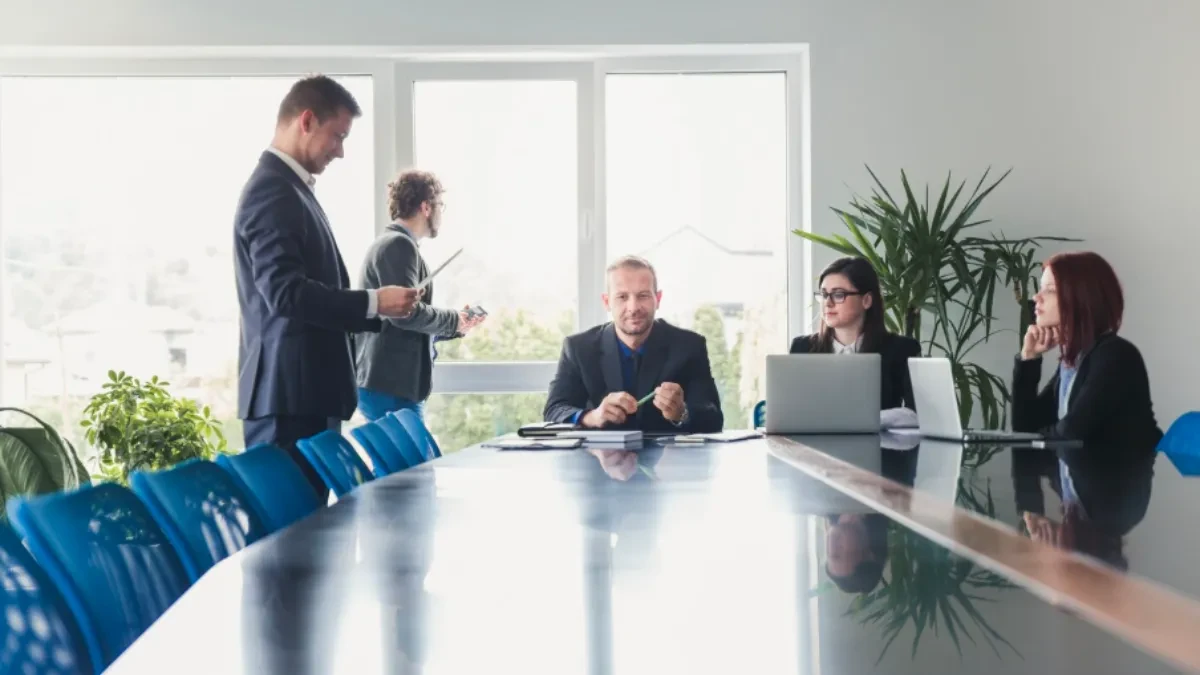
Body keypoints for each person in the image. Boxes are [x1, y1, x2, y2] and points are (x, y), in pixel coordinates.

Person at [234, 75, 421, 496]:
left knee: (311, 529)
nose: (340, 150)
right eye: (337, 136)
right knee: (294, 532)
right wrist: (374, 302)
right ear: (306, 121)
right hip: (289, 402)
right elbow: (285, 294)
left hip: (301, 398)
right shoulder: (273, 192)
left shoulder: (290, 189)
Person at [355, 170, 486, 422]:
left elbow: (404, 322)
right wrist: (453, 319)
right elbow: (404, 314)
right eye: (440, 206)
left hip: (389, 386)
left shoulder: (393, 244)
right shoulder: (398, 245)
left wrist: (457, 326)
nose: (440, 214)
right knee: (416, 451)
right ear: (426, 207)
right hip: (390, 388)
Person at [543, 255, 723, 433]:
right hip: (600, 453)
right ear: (607, 302)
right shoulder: (578, 348)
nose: (633, 307)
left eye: (643, 296)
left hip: (668, 453)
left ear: (658, 299)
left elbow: (714, 419)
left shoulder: (689, 346)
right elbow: (554, 410)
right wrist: (593, 417)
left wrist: (682, 413)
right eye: (622, 297)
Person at [1013, 251, 1160, 445]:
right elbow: (1025, 429)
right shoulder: (1074, 360)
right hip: (1083, 464)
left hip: (1121, 465)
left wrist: (1040, 435)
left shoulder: (1115, 354)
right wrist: (1029, 357)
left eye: (1050, 290)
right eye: (1040, 289)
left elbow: (1071, 432)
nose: (1036, 297)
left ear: (1081, 298)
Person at [790, 256, 921, 410]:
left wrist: (871, 420)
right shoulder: (802, 348)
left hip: (880, 427)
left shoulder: (902, 349)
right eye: (824, 295)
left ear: (866, 300)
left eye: (838, 295)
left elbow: (915, 413)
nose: (828, 303)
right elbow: (791, 409)